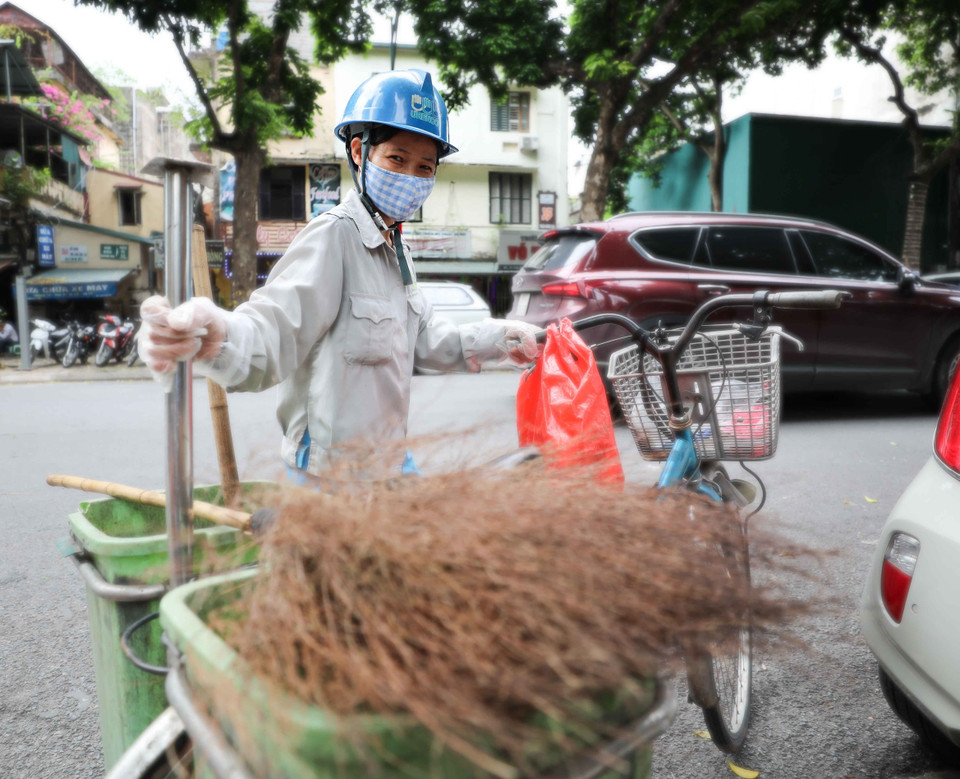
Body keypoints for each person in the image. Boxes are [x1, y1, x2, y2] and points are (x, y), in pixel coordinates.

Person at [139, 69, 540, 476]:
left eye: (425, 168)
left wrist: (499, 338)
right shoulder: (334, 236)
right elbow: (275, 327)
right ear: (358, 152)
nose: (410, 178)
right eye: (397, 158)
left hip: (390, 461)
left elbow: (423, 340)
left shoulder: (395, 246)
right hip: (330, 477)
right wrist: (219, 337)